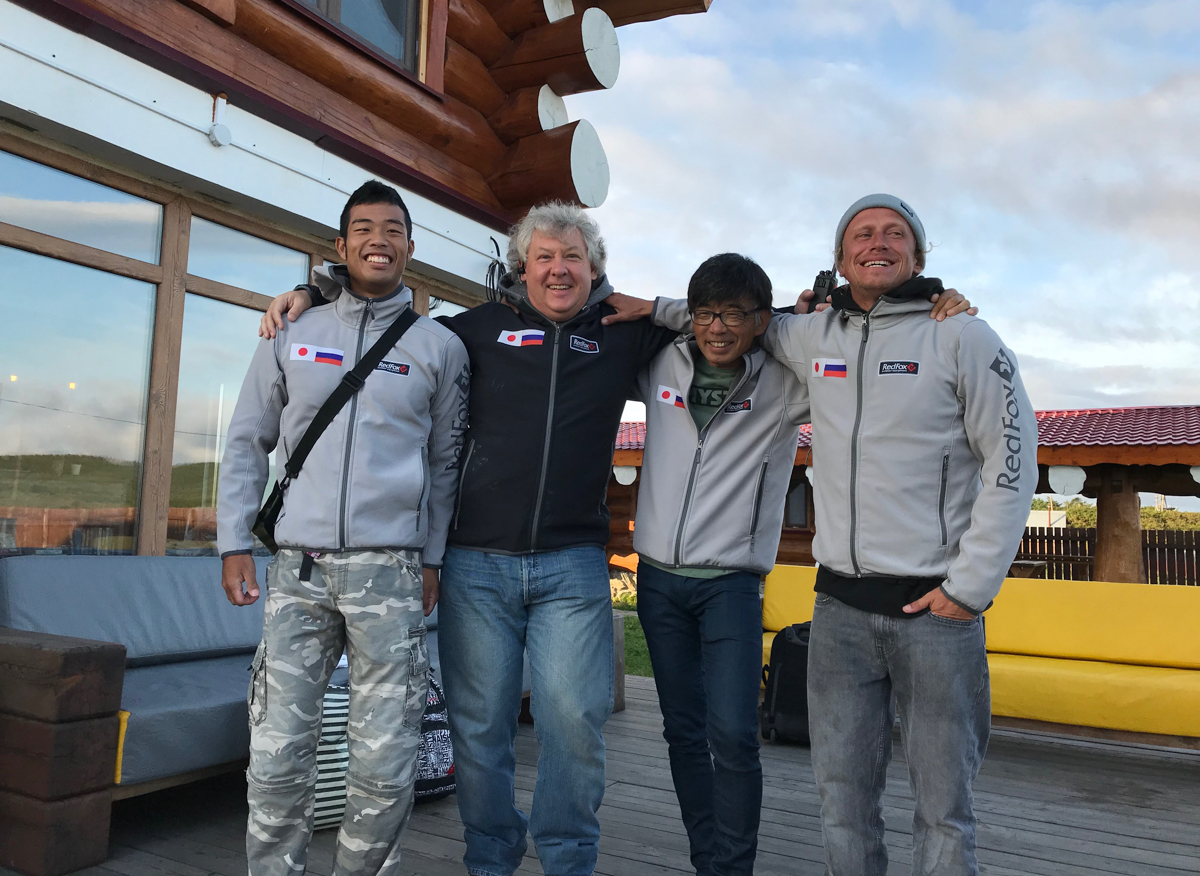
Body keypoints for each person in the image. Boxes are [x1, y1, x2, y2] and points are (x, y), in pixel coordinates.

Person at [612, 194, 1035, 876]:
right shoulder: (813, 338)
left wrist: (970, 589)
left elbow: (1013, 465)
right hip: (838, 610)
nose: (877, 242)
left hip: (936, 611)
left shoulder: (963, 337)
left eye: (894, 233)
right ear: (840, 258)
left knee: (943, 808)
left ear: (918, 255)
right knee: (842, 803)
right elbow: (734, 318)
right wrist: (656, 307)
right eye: (861, 234)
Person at [258, 202, 677, 876]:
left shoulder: (622, 335)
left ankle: (568, 859)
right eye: (544, 257)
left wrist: (658, 307)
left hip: (572, 564)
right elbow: (386, 323)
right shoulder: (473, 332)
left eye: (572, 257)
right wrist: (316, 291)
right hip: (476, 563)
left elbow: (727, 322)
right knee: (479, 728)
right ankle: (490, 856)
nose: (558, 269)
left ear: (594, 269)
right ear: (522, 268)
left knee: (575, 720)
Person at [218, 180, 470, 876]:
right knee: (276, 753)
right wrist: (233, 541)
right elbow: (247, 441)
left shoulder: (439, 347)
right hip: (297, 571)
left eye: (392, 230)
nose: (377, 240)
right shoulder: (293, 330)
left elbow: (446, 464)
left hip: (391, 572)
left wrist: (432, 559)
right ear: (341, 244)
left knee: (386, 762)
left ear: (410, 247)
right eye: (363, 228)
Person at [631, 252, 808, 876]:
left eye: (735, 315)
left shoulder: (785, 384)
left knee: (733, 733)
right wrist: (666, 313)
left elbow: (845, 356)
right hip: (657, 581)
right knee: (683, 731)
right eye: (706, 313)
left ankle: (733, 866)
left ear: (761, 320)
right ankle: (707, 859)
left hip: (730, 583)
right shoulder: (660, 363)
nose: (718, 328)